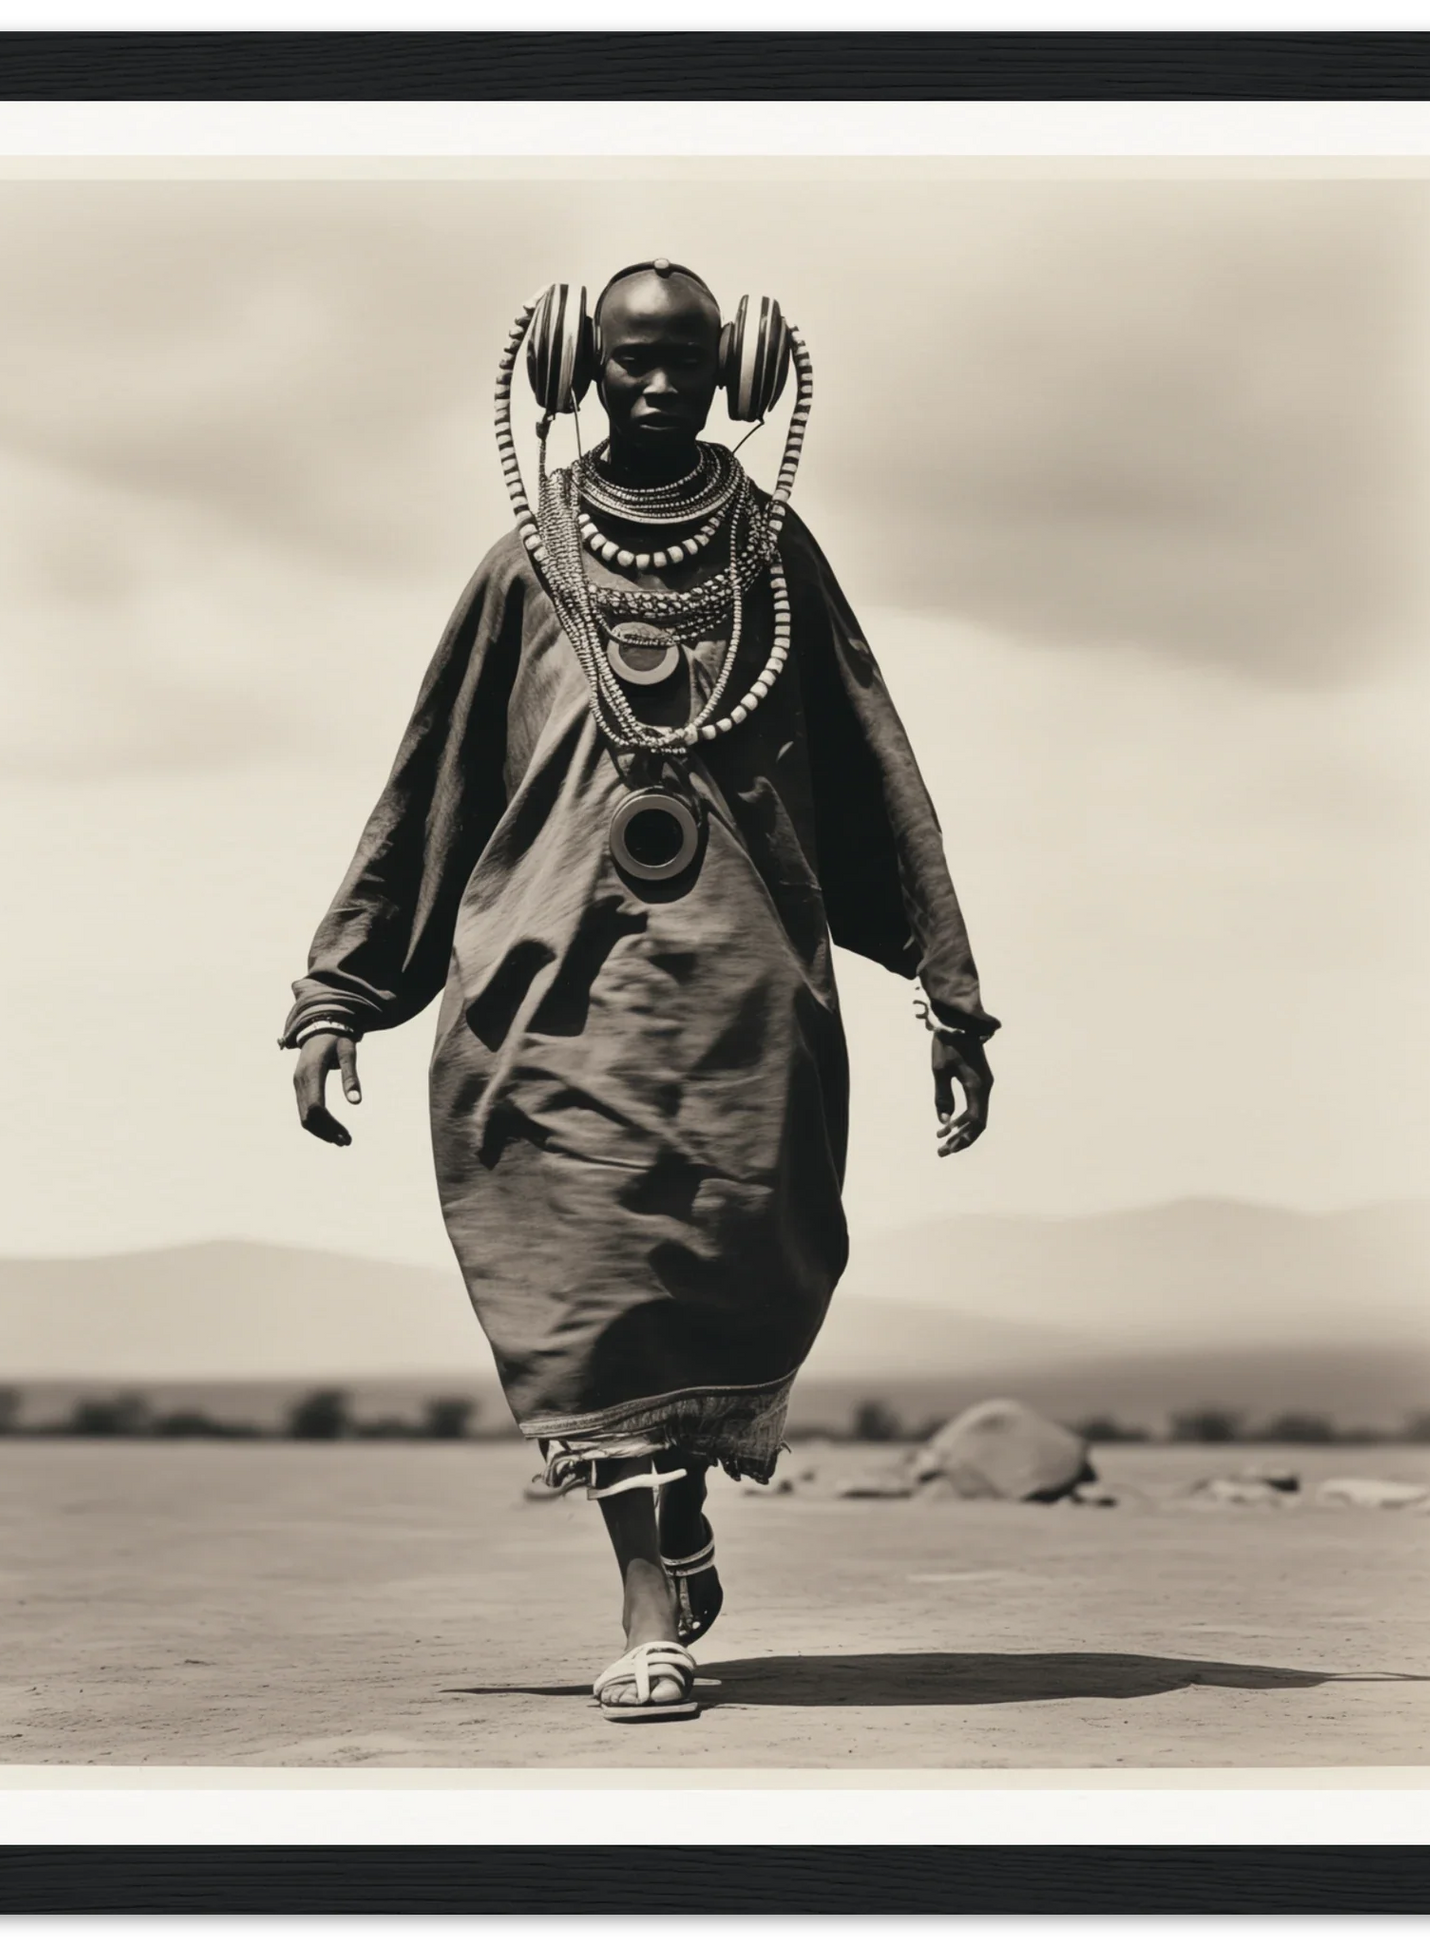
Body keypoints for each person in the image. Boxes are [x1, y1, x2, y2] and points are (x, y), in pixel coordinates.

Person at [282, 260, 998, 1723]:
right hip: (541, 992)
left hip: (742, 995)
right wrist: (337, 992)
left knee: (730, 1263)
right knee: (588, 1285)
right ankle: (645, 1603)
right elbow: (428, 789)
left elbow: (876, 771)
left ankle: (676, 1518)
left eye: (683, 360)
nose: (658, 385)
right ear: (577, 370)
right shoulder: (521, 568)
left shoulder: (777, 559)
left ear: (731, 370)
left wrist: (949, 991)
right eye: (628, 362)